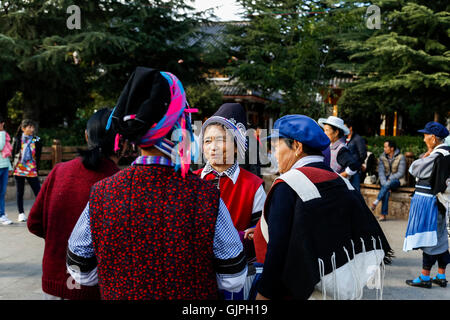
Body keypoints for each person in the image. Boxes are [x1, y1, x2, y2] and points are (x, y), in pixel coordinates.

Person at [66, 67, 247, 299]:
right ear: (179, 125)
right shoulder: (204, 195)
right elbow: (233, 278)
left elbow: (80, 268)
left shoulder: (102, 193)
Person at [248, 114, 393, 300]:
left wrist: (264, 294)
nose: (275, 154)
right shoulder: (341, 182)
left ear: (297, 147)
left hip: (298, 288)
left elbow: (278, 249)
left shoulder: (288, 185)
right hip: (337, 287)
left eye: (277, 147)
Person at [27, 108, 120, 300]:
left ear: (86, 135)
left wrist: (58, 239)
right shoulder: (118, 182)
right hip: (92, 288)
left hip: (54, 282)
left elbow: (33, 223)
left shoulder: (59, 171)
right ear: (123, 143)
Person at [195, 103, 266, 299]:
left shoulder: (253, 185)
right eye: (207, 140)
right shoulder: (189, 181)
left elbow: (261, 232)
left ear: (237, 148)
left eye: (221, 140)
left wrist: (253, 233)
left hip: (237, 277)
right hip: (196, 277)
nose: (213, 147)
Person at [404, 121, 450, 289]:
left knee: (429, 239)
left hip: (431, 202)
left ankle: (425, 277)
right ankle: (441, 275)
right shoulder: (446, 152)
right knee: (440, 238)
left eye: (425, 136)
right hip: (441, 202)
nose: (424, 139)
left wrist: (425, 156)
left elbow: (415, 169)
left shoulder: (437, 155)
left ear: (433, 138)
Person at [11, 119, 42, 222]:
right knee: (20, 192)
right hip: (19, 169)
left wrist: (38, 167)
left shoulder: (35, 139)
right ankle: (21, 213)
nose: (31, 129)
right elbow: (13, 153)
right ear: (23, 128)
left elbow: (38, 154)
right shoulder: (18, 139)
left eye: (32, 127)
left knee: (39, 192)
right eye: (29, 127)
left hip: (32, 170)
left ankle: (40, 212)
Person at [370, 140, 406, 221]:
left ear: (392, 148)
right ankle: (383, 214)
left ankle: (376, 201)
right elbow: (381, 172)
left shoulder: (401, 157)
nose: (384, 149)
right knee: (386, 191)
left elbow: (400, 172)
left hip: (397, 180)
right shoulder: (382, 157)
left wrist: (390, 179)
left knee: (388, 185)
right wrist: (386, 184)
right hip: (385, 181)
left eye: (386, 147)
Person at [344, 119, 367, 191]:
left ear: (350, 128)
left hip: (355, 171)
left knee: (356, 192)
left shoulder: (358, 139)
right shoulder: (343, 139)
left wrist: (355, 165)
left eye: (344, 127)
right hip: (345, 170)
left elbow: (363, 155)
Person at [0, 116, 13, 225]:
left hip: (4, 166)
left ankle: (1, 213)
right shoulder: (3, 135)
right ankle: (1, 214)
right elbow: (0, 146)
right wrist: (2, 134)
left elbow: (6, 152)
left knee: (2, 192)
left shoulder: (5, 135)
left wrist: (10, 167)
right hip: (23, 170)